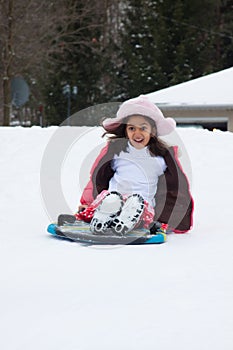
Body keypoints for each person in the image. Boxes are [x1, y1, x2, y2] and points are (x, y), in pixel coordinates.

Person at [59, 95, 194, 235]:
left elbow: (174, 187)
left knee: (136, 204)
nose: (137, 133)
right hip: (111, 199)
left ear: (153, 131)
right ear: (125, 130)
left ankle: (126, 221)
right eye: (132, 128)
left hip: (142, 203)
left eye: (143, 128)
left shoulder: (160, 158)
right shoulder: (117, 152)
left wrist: (171, 217)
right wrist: (87, 203)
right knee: (111, 200)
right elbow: (96, 178)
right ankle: (98, 218)